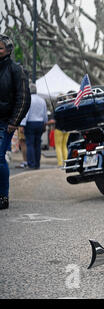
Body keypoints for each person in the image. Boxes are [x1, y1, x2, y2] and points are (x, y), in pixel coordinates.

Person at [0, 34, 31, 209]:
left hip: (5, 122)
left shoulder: (16, 70)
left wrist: (14, 121)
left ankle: (3, 196)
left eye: (0, 48)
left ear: (9, 50)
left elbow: (23, 97)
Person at [21, 83, 48, 170]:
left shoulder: (28, 99)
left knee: (30, 144)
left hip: (30, 123)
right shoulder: (42, 100)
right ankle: (37, 164)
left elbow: (26, 113)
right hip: (40, 123)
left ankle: (31, 164)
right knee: (37, 144)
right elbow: (45, 114)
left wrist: (22, 124)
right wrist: (45, 123)